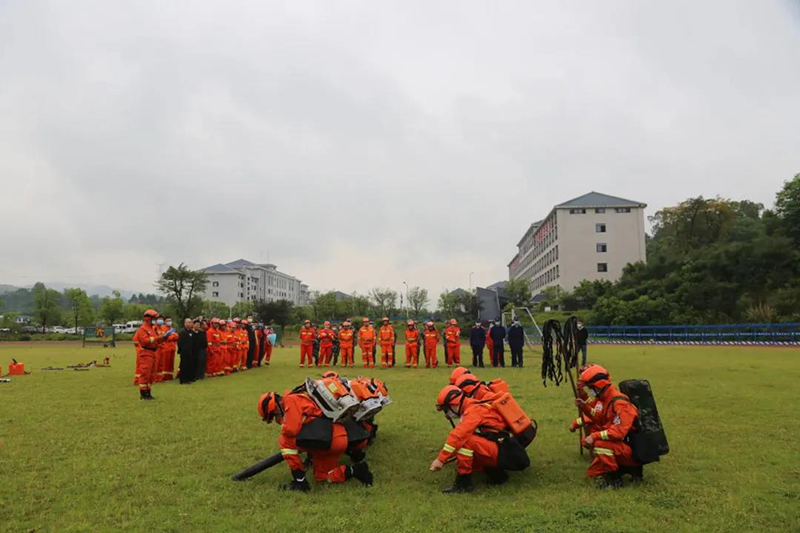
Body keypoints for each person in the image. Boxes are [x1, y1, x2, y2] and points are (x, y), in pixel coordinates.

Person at [258, 391, 374, 491]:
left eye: (274, 415)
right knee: (322, 476)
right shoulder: (299, 397)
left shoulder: (291, 401)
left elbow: (291, 430)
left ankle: (300, 482)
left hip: (330, 440)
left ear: (276, 407)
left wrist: (284, 429)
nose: (276, 419)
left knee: (286, 443)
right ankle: (356, 470)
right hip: (337, 436)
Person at [569, 364, 641, 488]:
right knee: (592, 474)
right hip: (618, 446)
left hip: (629, 450)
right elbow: (600, 418)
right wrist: (584, 406)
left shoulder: (620, 403)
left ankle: (615, 479)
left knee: (599, 444)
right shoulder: (607, 398)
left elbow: (619, 432)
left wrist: (594, 436)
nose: (590, 391)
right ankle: (619, 468)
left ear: (598, 386)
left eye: (591, 388)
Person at [430, 385, 510, 493]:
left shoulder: (473, 411)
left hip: (503, 451)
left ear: (455, 404)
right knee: (467, 442)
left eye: (446, 409)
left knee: (466, 441)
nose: (447, 413)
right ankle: (497, 475)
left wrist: (440, 459)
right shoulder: (472, 406)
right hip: (503, 447)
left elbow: (458, 436)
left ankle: (464, 484)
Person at [133, 309, 169, 400]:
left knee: (151, 375)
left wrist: (164, 338)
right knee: (145, 373)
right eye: (154, 318)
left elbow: (156, 339)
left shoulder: (152, 329)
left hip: (153, 352)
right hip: (146, 353)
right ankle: (143, 394)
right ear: (148, 318)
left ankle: (148, 392)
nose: (156, 320)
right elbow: (145, 341)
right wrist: (158, 338)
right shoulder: (142, 329)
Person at [177, 318, 196, 384]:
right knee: (184, 365)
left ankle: (189, 378)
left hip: (190, 351)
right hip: (184, 351)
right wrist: (181, 350)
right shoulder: (182, 332)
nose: (190, 323)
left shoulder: (191, 332)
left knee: (189, 365)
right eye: (188, 322)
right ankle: (183, 379)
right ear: (185, 323)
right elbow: (179, 342)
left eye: (190, 322)